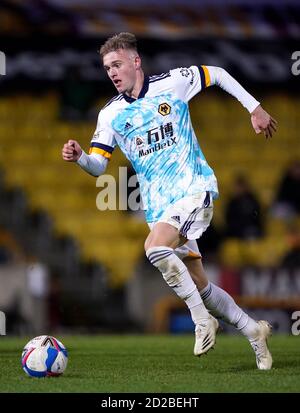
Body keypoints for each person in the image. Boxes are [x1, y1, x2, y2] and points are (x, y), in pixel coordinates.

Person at [62, 32, 277, 370]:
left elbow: (217, 73)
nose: (112, 73)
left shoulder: (173, 83)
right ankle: (253, 331)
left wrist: (255, 107)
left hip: (194, 190)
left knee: (154, 248)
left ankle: (201, 320)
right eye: (106, 68)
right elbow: (98, 165)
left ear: (136, 62)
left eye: (117, 64)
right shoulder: (110, 115)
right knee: (201, 285)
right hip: (159, 208)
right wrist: (79, 159)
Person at [224, 174, 264, 240]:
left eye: (240, 187)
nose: (238, 189)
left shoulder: (253, 200)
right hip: (236, 230)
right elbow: (229, 218)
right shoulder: (232, 203)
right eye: (237, 187)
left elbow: (256, 215)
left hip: (251, 228)